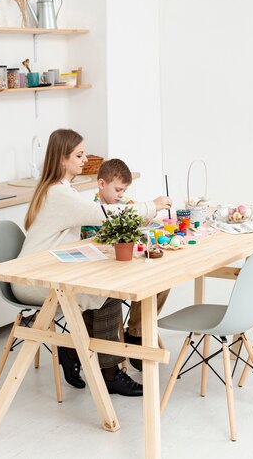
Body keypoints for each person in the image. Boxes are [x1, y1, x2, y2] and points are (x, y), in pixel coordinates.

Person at [11, 129, 172, 396]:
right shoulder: (59, 194)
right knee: (104, 292)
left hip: (50, 268)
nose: (85, 159)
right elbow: (105, 214)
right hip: (33, 278)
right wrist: (151, 206)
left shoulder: (61, 190)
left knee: (101, 290)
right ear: (62, 159)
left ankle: (75, 352)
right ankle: (108, 372)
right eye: (79, 154)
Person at [81, 158, 170, 371]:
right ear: (102, 184)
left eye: (123, 191)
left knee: (162, 281)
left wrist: (150, 215)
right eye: (118, 190)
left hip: (125, 263)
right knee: (146, 282)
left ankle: (136, 333)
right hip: (104, 270)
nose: (121, 196)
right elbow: (93, 241)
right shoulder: (90, 210)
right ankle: (131, 340)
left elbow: (141, 214)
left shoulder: (124, 204)